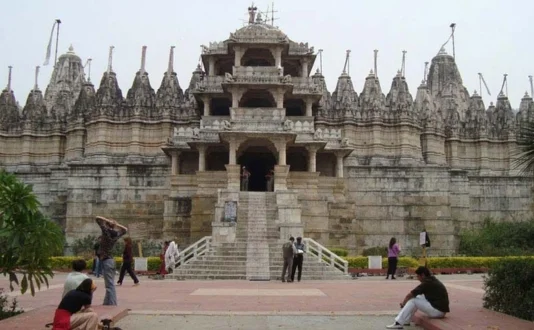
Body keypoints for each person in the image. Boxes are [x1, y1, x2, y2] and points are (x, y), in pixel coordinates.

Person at [95, 216, 127, 306]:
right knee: (109, 283)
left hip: (106, 261)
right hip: (110, 261)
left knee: (109, 285)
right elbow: (125, 230)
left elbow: (97, 218)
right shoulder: (116, 234)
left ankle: (112, 304)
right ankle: (106, 303)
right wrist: (116, 224)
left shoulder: (106, 233)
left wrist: (108, 220)